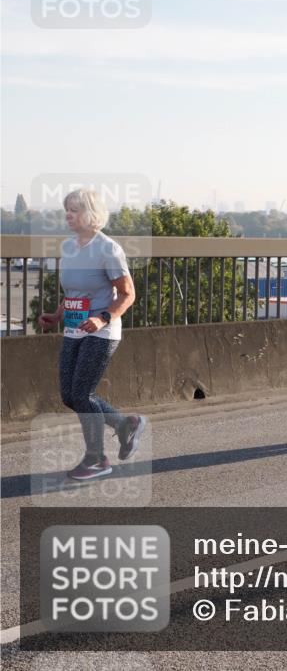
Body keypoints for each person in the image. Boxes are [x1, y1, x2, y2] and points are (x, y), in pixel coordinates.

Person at [37, 189, 147, 480]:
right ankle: (125, 425)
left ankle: (97, 459)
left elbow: (128, 294)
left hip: (102, 331)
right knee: (70, 396)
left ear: (91, 213)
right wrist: (58, 315)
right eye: (66, 210)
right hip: (74, 328)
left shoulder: (107, 248)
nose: (68, 215)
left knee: (82, 394)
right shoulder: (68, 247)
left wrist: (102, 319)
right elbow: (75, 291)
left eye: (74, 209)